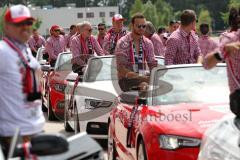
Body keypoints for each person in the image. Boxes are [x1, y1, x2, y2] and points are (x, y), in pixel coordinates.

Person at [0, 4, 45, 156]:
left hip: (34, 129)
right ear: (6, 27)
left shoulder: (25, 50)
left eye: (28, 23)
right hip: (14, 133)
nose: (25, 27)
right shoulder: (2, 51)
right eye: (18, 23)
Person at [115, 13, 157, 92]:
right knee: (144, 86)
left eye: (143, 26)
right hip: (126, 80)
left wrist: (155, 74)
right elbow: (121, 69)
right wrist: (142, 77)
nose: (141, 28)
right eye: (138, 26)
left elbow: (152, 63)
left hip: (142, 76)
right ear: (132, 25)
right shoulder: (122, 42)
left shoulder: (148, 43)